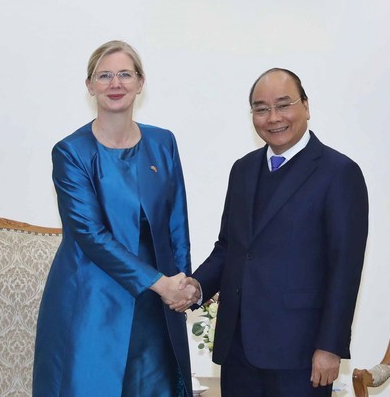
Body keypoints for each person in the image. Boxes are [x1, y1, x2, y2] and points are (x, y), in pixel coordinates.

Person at [173, 68, 369, 397]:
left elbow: (345, 268)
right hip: (238, 347)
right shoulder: (243, 169)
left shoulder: (339, 173)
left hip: (300, 353)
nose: (273, 117)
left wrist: (330, 347)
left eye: (283, 105)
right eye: (261, 108)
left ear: (306, 106)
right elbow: (229, 248)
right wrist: (195, 287)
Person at [33, 40, 197, 397]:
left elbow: (176, 222)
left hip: (155, 307)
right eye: (104, 75)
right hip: (90, 302)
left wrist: (182, 285)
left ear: (140, 82)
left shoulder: (163, 142)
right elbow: (90, 234)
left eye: (125, 74)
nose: (115, 83)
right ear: (90, 86)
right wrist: (160, 283)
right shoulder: (71, 152)